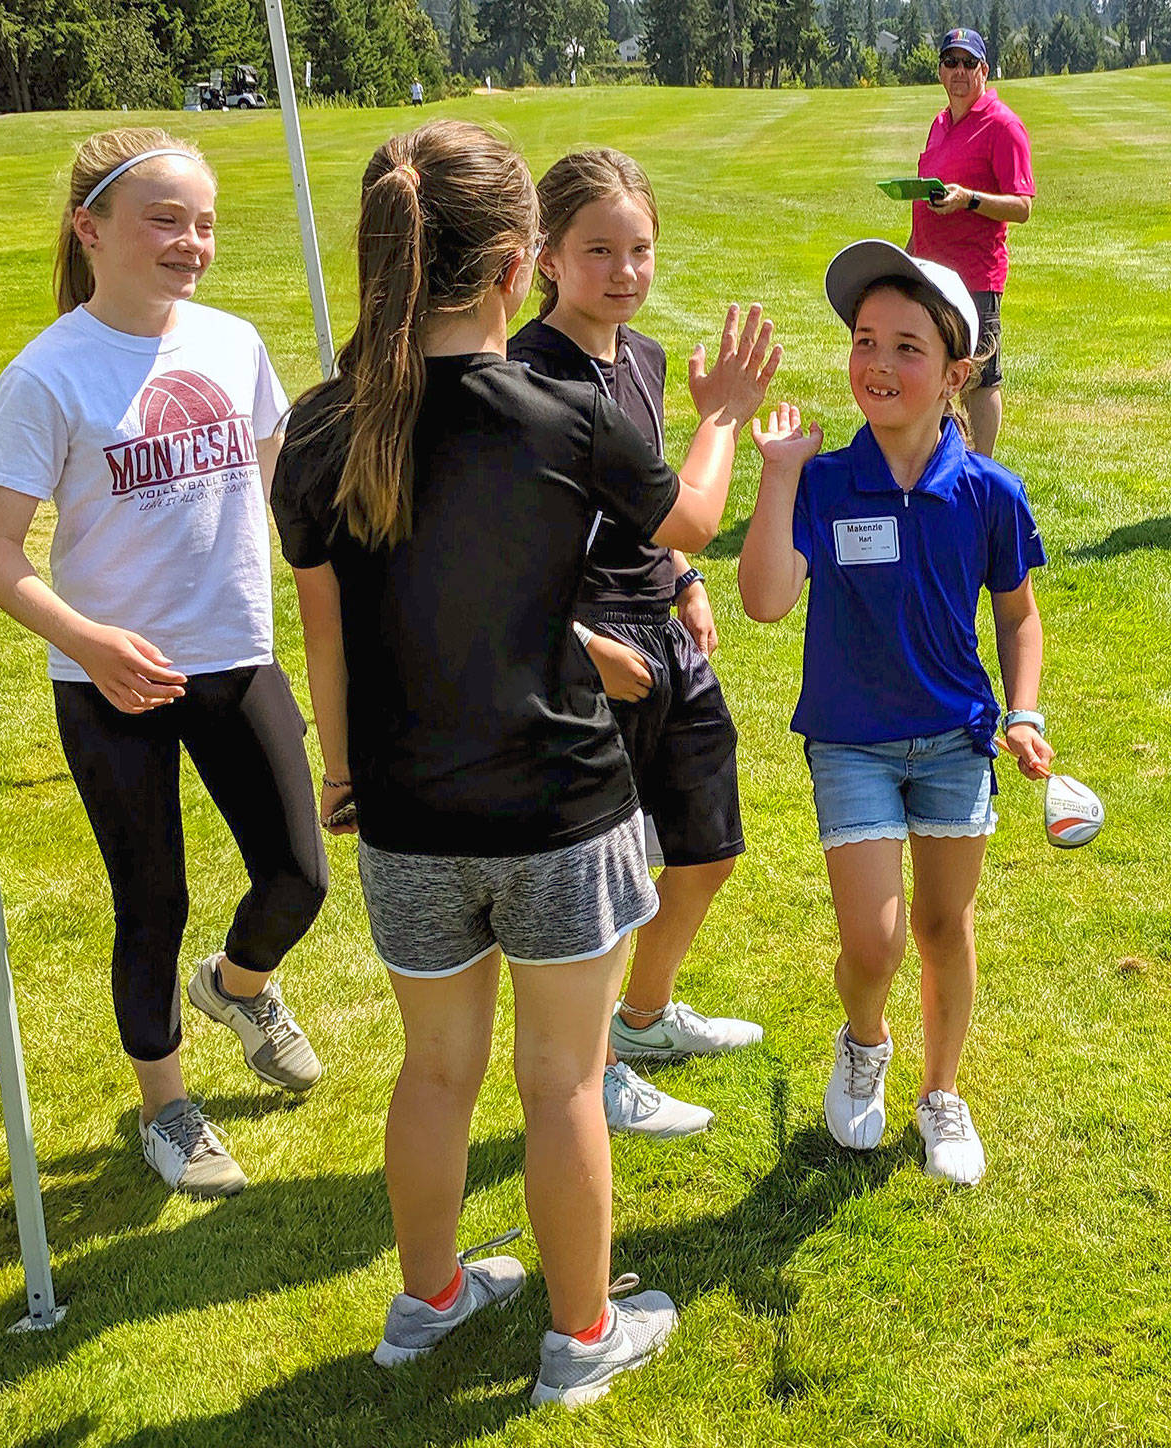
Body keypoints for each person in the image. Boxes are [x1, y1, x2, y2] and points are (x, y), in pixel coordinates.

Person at [271, 119, 777, 1405]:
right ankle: (580, 1333)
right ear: (517, 264)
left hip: (401, 813)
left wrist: (343, 776)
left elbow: (324, 636)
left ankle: (428, 1299)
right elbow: (694, 525)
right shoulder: (561, 410)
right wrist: (718, 415)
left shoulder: (321, 427)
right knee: (559, 1081)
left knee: (434, 1068)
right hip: (558, 808)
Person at [0, 128, 327, 1200]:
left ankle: (238, 985)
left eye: (204, 222)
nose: (191, 243)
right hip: (110, 684)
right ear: (93, 230)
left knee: (299, 875)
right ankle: (167, 1109)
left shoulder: (231, 342)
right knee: (150, 902)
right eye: (165, 220)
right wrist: (86, 640)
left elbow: (277, 494)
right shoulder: (48, 373)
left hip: (234, 656)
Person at [738, 239, 1053, 1186]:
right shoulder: (826, 481)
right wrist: (779, 473)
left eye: (907, 347)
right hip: (851, 742)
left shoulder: (989, 491)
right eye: (865, 340)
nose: (878, 364)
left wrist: (1025, 712)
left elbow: (1017, 613)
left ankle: (940, 1093)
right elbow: (762, 599)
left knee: (943, 927)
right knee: (873, 939)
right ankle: (865, 1043)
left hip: (957, 738)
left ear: (957, 372)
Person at [510, 149, 771, 1142]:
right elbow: (506, 549)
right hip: (586, 650)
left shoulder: (644, 357)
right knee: (609, 879)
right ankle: (601, 1070)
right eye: (597, 250)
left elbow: (648, 500)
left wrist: (687, 581)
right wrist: (575, 642)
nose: (623, 270)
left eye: (640, 249)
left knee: (705, 848)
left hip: (660, 630)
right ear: (544, 257)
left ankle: (646, 1016)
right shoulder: (527, 376)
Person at [907, 27, 1035, 458]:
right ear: (941, 72)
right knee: (932, 368)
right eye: (950, 62)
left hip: (977, 276)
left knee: (979, 378)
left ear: (983, 70)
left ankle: (981, 468)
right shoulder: (939, 123)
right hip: (931, 271)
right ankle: (940, 459)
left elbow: (1022, 206)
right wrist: (909, 256)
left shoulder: (1004, 125)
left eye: (968, 63)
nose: (958, 71)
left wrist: (970, 200)